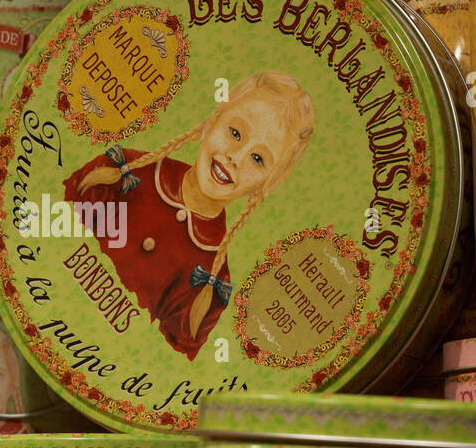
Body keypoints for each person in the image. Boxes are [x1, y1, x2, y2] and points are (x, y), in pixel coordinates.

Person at [67, 71, 315, 359]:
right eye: (235, 133)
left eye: (257, 159)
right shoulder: (121, 171)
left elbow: (158, 363)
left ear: (267, 184)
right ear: (212, 121)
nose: (235, 157)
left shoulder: (209, 283)